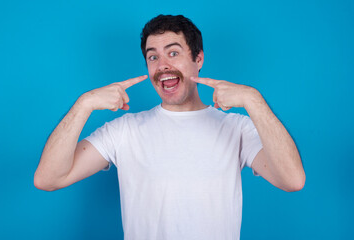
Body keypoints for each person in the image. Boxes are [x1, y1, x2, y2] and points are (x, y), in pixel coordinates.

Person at [34, 14, 305, 240]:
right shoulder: (123, 131)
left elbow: (292, 180)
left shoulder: (237, 128)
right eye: (153, 57)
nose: (162, 66)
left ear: (198, 59)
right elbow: (48, 179)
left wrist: (253, 100)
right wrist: (84, 104)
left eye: (173, 53)